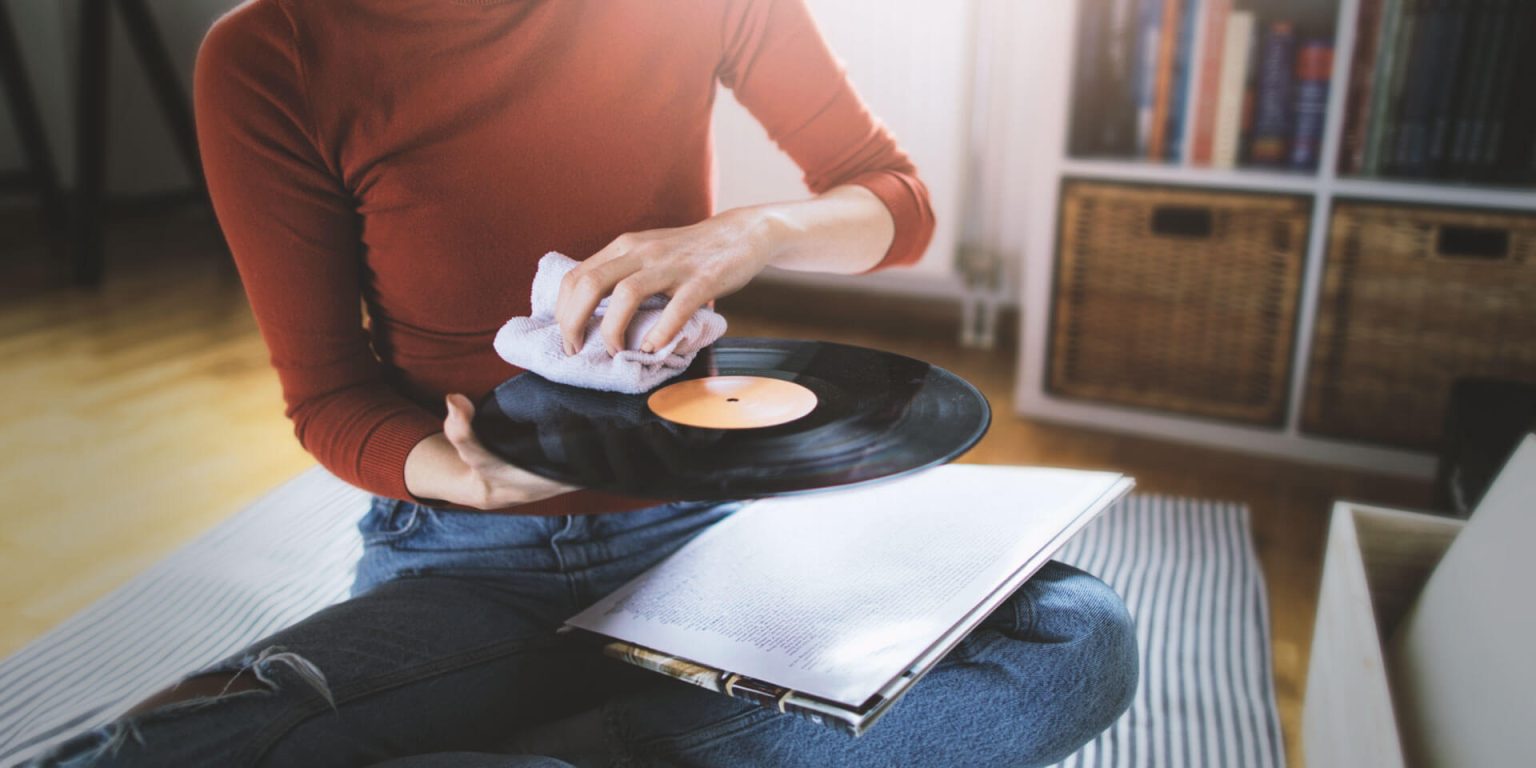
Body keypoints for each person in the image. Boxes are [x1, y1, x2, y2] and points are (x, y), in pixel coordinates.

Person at [37, 1, 1137, 765]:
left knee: (1074, 641)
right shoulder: (268, 53)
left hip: (712, 532)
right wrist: (452, 474)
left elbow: (894, 204)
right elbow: (329, 396)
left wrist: (753, 230)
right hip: (467, 563)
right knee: (165, 747)